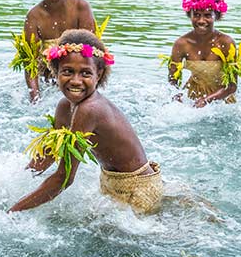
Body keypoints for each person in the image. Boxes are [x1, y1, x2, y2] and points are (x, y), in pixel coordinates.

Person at [9, 29, 164, 214]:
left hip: (140, 190)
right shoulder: (64, 106)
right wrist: (16, 181)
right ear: (55, 71)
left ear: (98, 74)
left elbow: (64, 178)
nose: (75, 81)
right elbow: (51, 154)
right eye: (67, 71)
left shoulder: (90, 109)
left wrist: (13, 211)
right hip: (112, 183)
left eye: (85, 73)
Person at [22, 0, 96, 102]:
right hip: (48, 80)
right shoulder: (33, 16)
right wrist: (35, 99)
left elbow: (92, 53)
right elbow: (29, 63)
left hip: (77, 77)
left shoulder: (80, 7)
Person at [167, 0, 237, 107]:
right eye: (197, 15)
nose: (201, 20)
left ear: (217, 16)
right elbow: (173, 82)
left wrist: (207, 100)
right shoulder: (182, 44)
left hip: (221, 102)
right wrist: (177, 97)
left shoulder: (226, 43)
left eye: (207, 15)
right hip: (192, 98)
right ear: (190, 14)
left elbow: (232, 87)